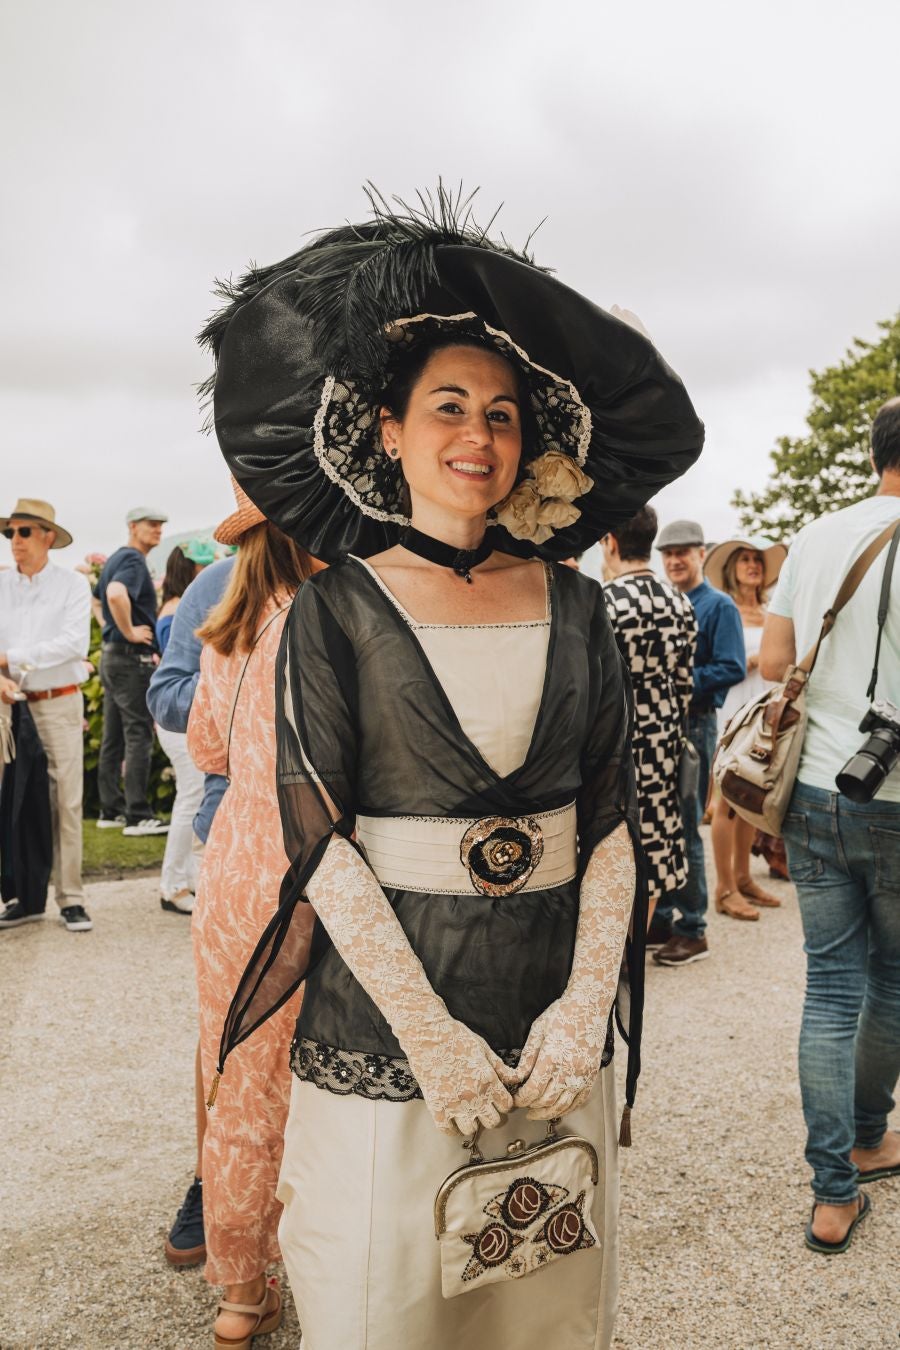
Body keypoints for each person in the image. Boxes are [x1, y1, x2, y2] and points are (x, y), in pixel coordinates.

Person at [197, 194, 703, 1349]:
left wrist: (583, 1013)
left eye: (505, 414)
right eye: (449, 407)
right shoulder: (334, 610)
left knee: (541, 1305)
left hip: (549, 1025)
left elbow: (614, 821)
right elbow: (319, 841)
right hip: (386, 1029)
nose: (480, 435)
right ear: (387, 428)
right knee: (388, 1303)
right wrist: (429, 1036)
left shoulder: (581, 607)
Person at [760, 395, 900, 1255]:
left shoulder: (817, 534)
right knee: (891, 982)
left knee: (831, 987)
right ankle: (868, 1134)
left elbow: (775, 662)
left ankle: (832, 1191)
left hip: (813, 794)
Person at [186, 518, 315, 1347]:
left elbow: (207, 744)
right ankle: (318, 1266)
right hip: (306, 864)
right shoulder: (327, 618)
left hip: (231, 862)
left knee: (233, 1079)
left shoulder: (225, 628)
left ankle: (241, 1290)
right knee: (306, 1086)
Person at [148, 513, 240, 1269]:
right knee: (226, 1026)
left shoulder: (355, 573)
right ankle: (213, 1179)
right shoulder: (216, 583)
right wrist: (243, 696)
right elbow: (167, 692)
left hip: (355, 828)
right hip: (238, 818)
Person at [652, 520, 746, 965]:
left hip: (695, 723)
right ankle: (665, 915)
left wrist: (678, 682)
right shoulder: (665, 600)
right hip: (661, 724)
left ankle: (694, 929)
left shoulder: (719, 606)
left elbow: (732, 666)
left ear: (701, 555)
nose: (674, 561)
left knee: (687, 825)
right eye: (668, 554)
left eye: (683, 553)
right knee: (661, 823)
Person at [601, 506, 697, 925]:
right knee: (656, 838)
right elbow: (684, 684)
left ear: (611, 542)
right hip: (663, 738)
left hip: (614, 739)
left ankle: (614, 953)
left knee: (606, 837)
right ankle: (637, 946)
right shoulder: (680, 602)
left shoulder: (602, 602)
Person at [0, 498, 92, 932]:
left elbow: (74, 644)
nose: (13, 541)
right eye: (9, 533)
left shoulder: (72, 586)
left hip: (57, 701)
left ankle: (70, 897)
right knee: (10, 801)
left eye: (23, 532)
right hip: (7, 705)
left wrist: (9, 658)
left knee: (65, 802)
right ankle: (22, 896)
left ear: (48, 537)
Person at [704, 536, 788, 920]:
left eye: (757, 560)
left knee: (750, 800)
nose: (752, 565)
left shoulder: (772, 612)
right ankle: (724, 887)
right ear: (731, 569)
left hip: (764, 713)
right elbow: (721, 662)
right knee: (726, 802)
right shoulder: (726, 611)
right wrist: (753, 660)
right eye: (745, 560)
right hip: (733, 712)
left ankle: (743, 877)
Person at [93, 506, 169, 836]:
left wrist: (110, 628)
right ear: (133, 526)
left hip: (111, 657)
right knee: (137, 733)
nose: (158, 530)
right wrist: (128, 631)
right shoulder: (133, 560)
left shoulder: (114, 559)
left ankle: (110, 810)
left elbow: (97, 600)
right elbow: (113, 594)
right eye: (152, 525)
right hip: (129, 657)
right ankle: (138, 815)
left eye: (161, 525)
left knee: (113, 736)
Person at [154, 542, 212, 915]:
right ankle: (172, 884)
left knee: (192, 795)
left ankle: (187, 879)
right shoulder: (179, 611)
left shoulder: (174, 606)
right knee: (191, 796)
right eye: (201, 567)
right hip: (181, 717)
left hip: (184, 714)